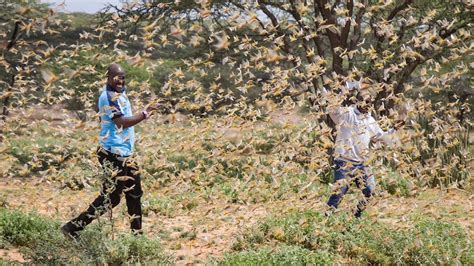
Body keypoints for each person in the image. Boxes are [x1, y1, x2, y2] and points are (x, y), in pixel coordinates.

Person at [61, 63, 159, 238]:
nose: (120, 80)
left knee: (135, 193)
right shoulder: (108, 97)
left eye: (123, 77)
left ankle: (137, 237)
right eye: (117, 77)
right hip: (112, 153)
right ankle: (72, 228)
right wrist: (144, 114)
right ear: (108, 77)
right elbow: (121, 122)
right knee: (111, 198)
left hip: (125, 154)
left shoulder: (121, 94)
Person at [323, 79, 402, 218]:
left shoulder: (370, 120)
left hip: (362, 164)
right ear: (357, 102)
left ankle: (356, 216)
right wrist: (345, 88)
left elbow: (381, 137)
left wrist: (394, 129)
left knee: (369, 192)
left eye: (369, 103)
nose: (367, 105)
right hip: (344, 162)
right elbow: (332, 108)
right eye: (365, 102)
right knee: (339, 193)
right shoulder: (347, 114)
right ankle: (325, 220)